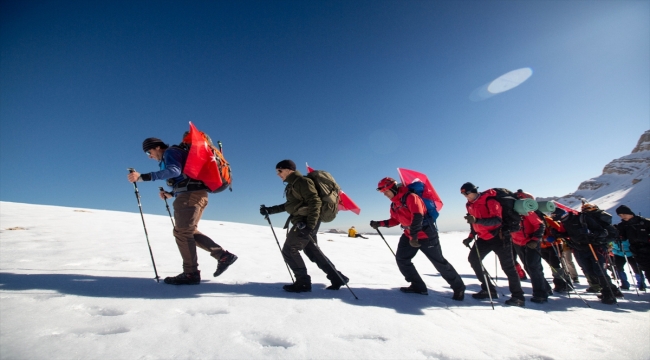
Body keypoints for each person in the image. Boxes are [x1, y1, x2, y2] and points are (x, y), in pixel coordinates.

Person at [127, 137, 237, 285]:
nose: (150, 156)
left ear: (157, 147)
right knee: (188, 232)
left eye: (149, 152)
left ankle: (191, 273)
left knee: (182, 232)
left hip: (189, 197)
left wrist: (143, 177)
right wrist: (172, 194)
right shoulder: (176, 153)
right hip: (194, 195)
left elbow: (174, 171)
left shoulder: (170, 152)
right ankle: (222, 256)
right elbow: (185, 177)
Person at [260, 160, 349, 292]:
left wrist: (310, 226)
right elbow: (290, 205)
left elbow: (315, 202)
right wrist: (270, 210)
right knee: (312, 252)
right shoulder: (293, 184)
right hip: (305, 221)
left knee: (290, 250)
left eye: (279, 171)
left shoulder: (302, 182)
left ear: (289, 170)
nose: (278, 174)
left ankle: (302, 283)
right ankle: (337, 277)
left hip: (306, 222)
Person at [369, 177, 465, 300]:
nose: (385, 194)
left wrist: (414, 236)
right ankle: (418, 286)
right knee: (402, 259)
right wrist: (380, 223)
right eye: (383, 192)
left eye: (386, 191)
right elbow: (395, 220)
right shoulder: (394, 204)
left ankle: (459, 288)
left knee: (439, 262)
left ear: (393, 187)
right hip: (409, 234)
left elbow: (418, 216)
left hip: (426, 234)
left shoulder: (411, 197)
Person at [460, 182, 525, 307]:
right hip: (483, 238)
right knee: (474, 260)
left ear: (474, 190)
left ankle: (518, 297)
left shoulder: (490, 200)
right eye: (463, 194)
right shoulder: (469, 205)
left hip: (499, 237)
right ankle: (488, 289)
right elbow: (472, 223)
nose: (466, 196)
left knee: (508, 267)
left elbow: (497, 219)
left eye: (467, 193)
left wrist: (477, 220)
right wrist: (470, 237)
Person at [557, 204, 621, 304]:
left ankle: (609, 294)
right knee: (590, 271)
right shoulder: (567, 221)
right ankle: (612, 289)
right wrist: (560, 234)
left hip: (595, 247)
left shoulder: (584, 219)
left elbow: (603, 232)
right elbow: (572, 234)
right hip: (581, 249)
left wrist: (590, 233)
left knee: (599, 270)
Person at [510, 191, 552, 303]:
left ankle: (541, 294)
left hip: (530, 243)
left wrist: (534, 240)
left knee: (534, 267)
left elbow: (539, 225)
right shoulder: (513, 211)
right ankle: (546, 289)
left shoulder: (528, 211)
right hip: (518, 242)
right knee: (530, 267)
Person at [615, 205, 649, 290]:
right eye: (620, 215)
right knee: (647, 271)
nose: (622, 216)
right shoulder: (622, 226)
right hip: (637, 251)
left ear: (629, 213)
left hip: (648, 248)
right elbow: (623, 237)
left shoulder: (644, 222)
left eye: (623, 214)